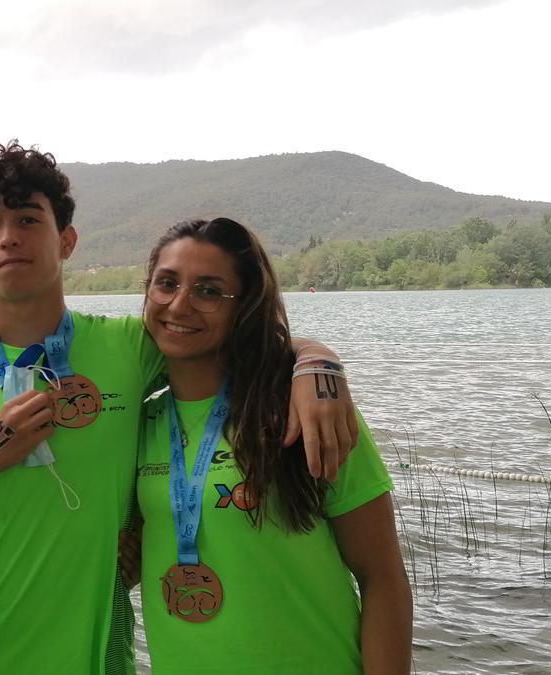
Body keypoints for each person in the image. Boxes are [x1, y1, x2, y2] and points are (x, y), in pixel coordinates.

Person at [0, 141, 358, 673]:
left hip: (100, 656)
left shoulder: (129, 347)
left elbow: (228, 336)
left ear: (67, 241)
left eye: (27, 219)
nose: (9, 237)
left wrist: (317, 362)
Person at [135, 218, 412, 673]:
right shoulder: (138, 423)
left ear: (244, 307)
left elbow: (381, 578)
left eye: (208, 291)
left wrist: (314, 359)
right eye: (166, 284)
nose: (179, 305)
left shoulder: (307, 413)